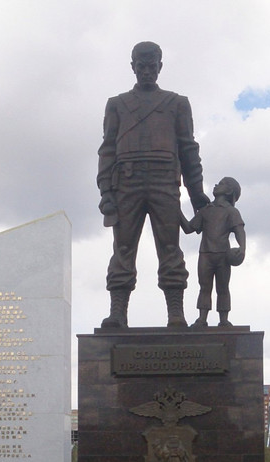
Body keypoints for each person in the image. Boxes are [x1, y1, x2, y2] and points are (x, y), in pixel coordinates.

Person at [97, 41, 209, 328]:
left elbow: (188, 149)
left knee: (170, 248)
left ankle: (176, 314)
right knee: (123, 249)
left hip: (164, 182)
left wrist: (197, 195)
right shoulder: (117, 104)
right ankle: (118, 314)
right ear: (132, 67)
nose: (146, 72)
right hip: (126, 183)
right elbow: (108, 149)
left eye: (151, 66)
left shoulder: (177, 103)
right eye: (141, 66)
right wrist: (106, 191)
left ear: (160, 66)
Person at [182, 177, 245, 327]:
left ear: (229, 191)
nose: (217, 185)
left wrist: (242, 248)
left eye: (221, 184)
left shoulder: (231, 211)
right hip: (205, 254)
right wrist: (176, 210)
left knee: (222, 288)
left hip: (223, 255)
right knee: (204, 287)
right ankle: (202, 318)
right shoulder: (205, 210)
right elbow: (188, 228)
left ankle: (223, 320)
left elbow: (239, 230)